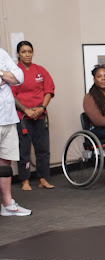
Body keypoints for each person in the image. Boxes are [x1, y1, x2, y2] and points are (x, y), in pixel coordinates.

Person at [11, 41, 55, 191]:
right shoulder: (14, 72)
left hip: (40, 115)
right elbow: (12, 95)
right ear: (18, 54)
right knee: (24, 150)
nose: (27, 54)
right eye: (23, 52)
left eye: (29, 51)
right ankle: (25, 180)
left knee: (43, 149)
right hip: (23, 117)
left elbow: (48, 90)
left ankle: (43, 178)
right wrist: (26, 110)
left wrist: (42, 108)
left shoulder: (40, 70)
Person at [0, 47, 31, 216]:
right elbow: (10, 78)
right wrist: (6, 75)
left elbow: (19, 77)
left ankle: (7, 204)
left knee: (5, 162)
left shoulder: (1, 53)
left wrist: (1, 73)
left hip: (8, 118)